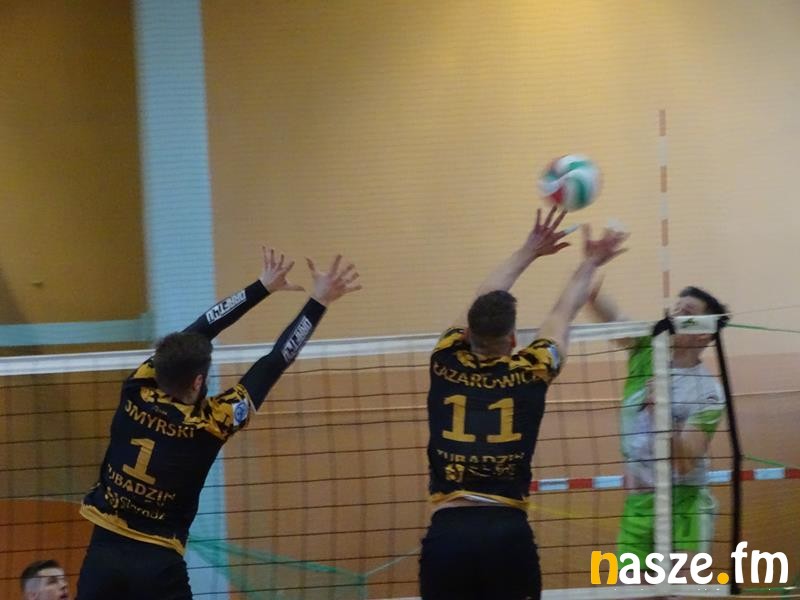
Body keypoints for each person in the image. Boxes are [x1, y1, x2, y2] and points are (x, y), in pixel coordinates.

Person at [75, 248, 361, 599]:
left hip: (103, 552)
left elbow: (202, 328)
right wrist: (319, 301)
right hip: (158, 562)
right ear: (198, 382)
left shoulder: (137, 387)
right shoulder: (209, 424)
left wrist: (261, 286)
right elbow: (274, 362)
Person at [419, 207, 628, 600]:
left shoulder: (444, 360)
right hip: (507, 532)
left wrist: (529, 250)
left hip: (448, 533)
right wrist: (590, 262)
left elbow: (484, 294)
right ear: (513, 340)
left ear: (467, 333)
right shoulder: (533, 369)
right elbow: (563, 312)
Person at [587, 283, 728, 575]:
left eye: (686, 312)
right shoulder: (646, 349)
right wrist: (590, 279)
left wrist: (660, 413)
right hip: (639, 499)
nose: (674, 315)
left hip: (684, 502)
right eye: (675, 309)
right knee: (632, 590)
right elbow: (613, 316)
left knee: (682, 588)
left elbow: (685, 463)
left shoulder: (708, 392)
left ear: (704, 332)